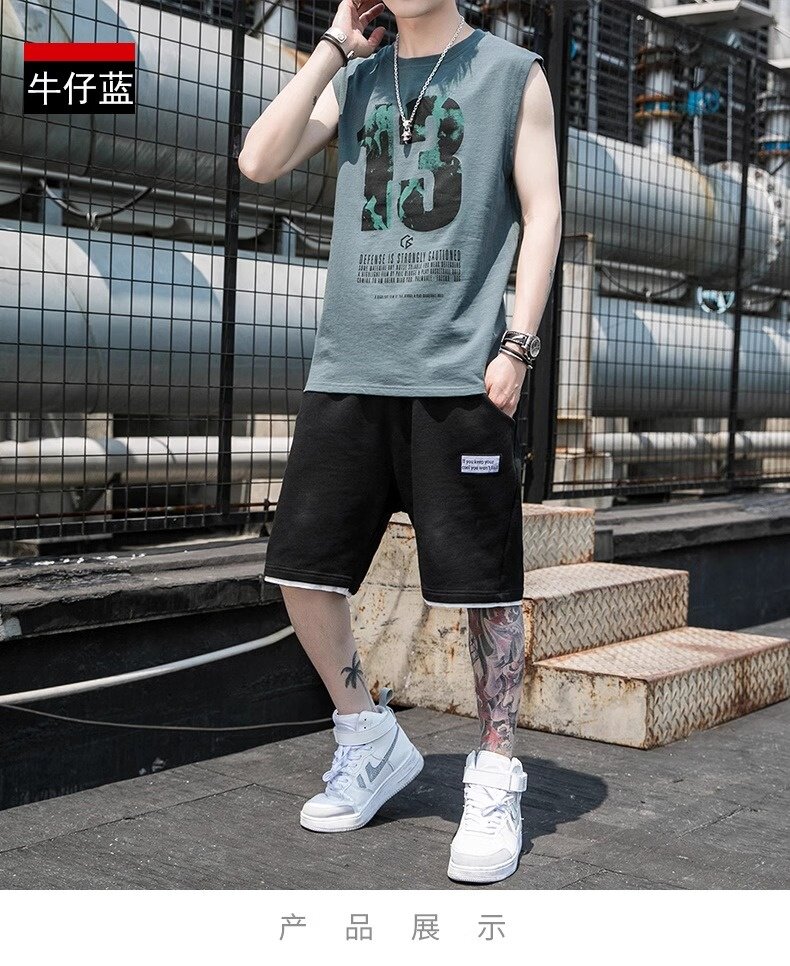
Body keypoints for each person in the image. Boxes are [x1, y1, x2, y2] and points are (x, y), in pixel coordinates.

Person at [239, 0, 561, 884]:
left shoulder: (512, 75)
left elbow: (543, 212)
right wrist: (334, 46)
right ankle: (367, 736)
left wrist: (518, 344)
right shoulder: (356, 80)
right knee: (302, 570)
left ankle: (493, 772)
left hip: (459, 374)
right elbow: (258, 160)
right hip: (350, 368)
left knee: (484, 589)